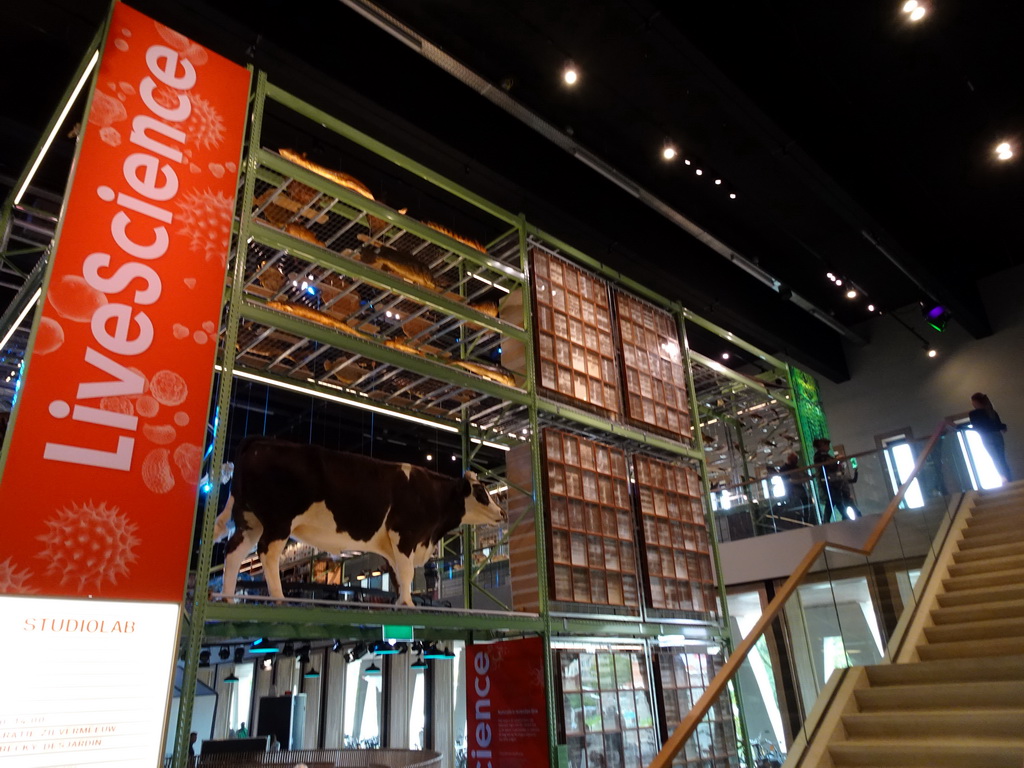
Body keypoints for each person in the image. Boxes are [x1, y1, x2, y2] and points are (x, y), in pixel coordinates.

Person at [813, 438, 859, 520]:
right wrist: (837, 461)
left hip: (832, 484)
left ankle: (830, 521)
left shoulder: (823, 457)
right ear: (822, 446)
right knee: (835, 502)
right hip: (830, 484)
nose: (829, 448)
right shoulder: (820, 457)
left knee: (833, 503)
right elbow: (830, 467)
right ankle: (845, 518)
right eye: (827, 445)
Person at [969, 392, 1011, 482]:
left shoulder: (974, 414)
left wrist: (958, 427)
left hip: (986, 437)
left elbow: (977, 427)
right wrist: (1003, 426)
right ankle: (1008, 478)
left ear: (975, 402)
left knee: (995, 458)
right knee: (1001, 458)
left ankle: (1004, 478)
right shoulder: (991, 411)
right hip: (997, 435)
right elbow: (998, 425)